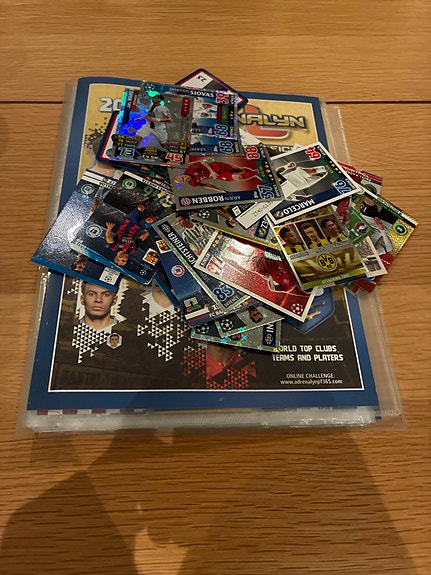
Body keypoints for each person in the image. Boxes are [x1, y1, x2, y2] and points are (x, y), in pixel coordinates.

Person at [173, 160, 261, 192]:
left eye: (183, 177)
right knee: (238, 177)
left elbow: (202, 162)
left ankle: (252, 171)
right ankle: (256, 173)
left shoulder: (190, 169)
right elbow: (206, 185)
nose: (185, 178)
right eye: (183, 180)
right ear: (183, 182)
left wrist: (211, 171)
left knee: (239, 170)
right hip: (219, 175)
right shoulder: (193, 183)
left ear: (182, 175)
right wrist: (220, 190)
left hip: (217, 166)